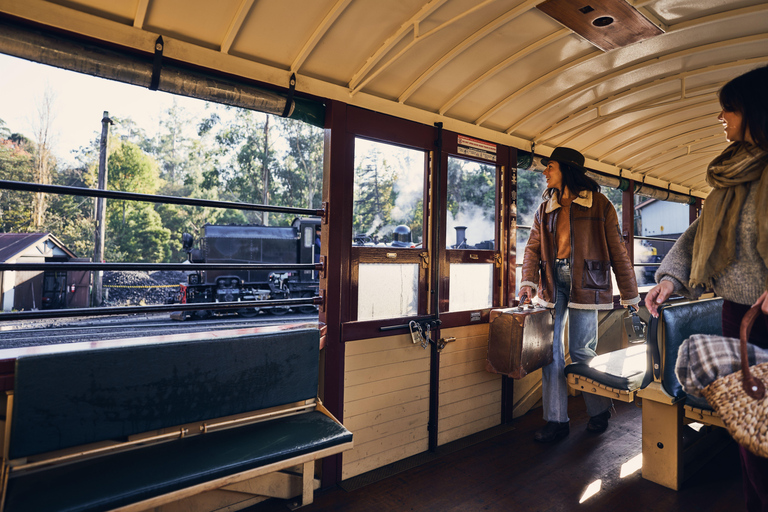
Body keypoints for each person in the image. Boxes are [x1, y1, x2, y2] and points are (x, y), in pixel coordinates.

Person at [645, 64, 768, 512]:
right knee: (750, 426)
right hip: (738, 316)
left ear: (757, 111)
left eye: (729, 109)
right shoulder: (731, 175)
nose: (721, 118)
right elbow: (701, 234)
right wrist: (671, 278)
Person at [520, 147, 640, 442]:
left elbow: (618, 252)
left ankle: (598, 411)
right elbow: (533, 248)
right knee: (551, 354)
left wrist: (630, 295)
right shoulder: (544, 206)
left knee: (582, 350)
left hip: (587, 281)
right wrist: (527, 282)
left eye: (550, 166)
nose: (545, 172)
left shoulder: (600, 204)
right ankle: (557, 420)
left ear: (567, 169)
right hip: (552, 281)